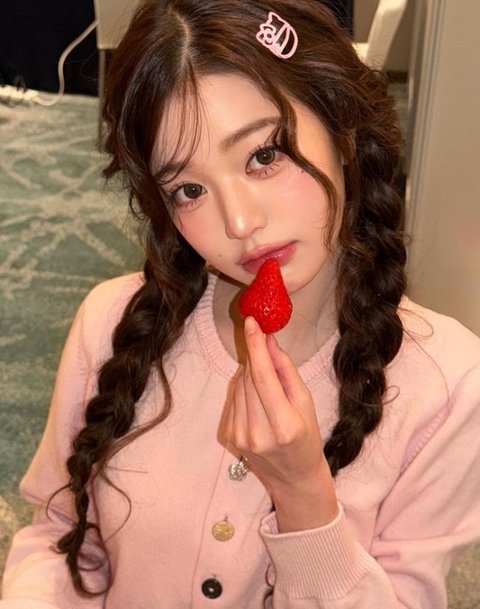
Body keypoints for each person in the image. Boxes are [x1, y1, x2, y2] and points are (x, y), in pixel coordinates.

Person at [2, 0, 480, 607]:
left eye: (264, 155)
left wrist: (304, 496)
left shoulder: (449, 386)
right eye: (188, 189)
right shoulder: (111, 321)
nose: (239, 223)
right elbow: (59, 539)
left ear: (342, 128)